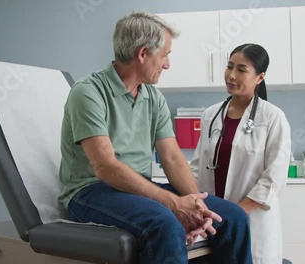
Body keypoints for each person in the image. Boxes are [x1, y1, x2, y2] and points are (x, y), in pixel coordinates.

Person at [58, 11, 252, 264]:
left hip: (135, 188)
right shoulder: (88, 93)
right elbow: (105, 167)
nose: (167, 64)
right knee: (164, 223)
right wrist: (173, 204)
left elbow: (171, 157)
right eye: (165, 55)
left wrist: (196, 205)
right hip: (90, 191)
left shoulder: (153, 97)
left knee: (234, 217)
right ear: (142, 54)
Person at [189, 43, 292, 264]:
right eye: (229, 66)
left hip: (250, 221)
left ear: (260, 77)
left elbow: (273, 178)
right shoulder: (211, 114)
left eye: (241, 69)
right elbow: (197, 167)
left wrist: (233, 214)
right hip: (211, 221)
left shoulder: (273, 117)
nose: (231, 75)